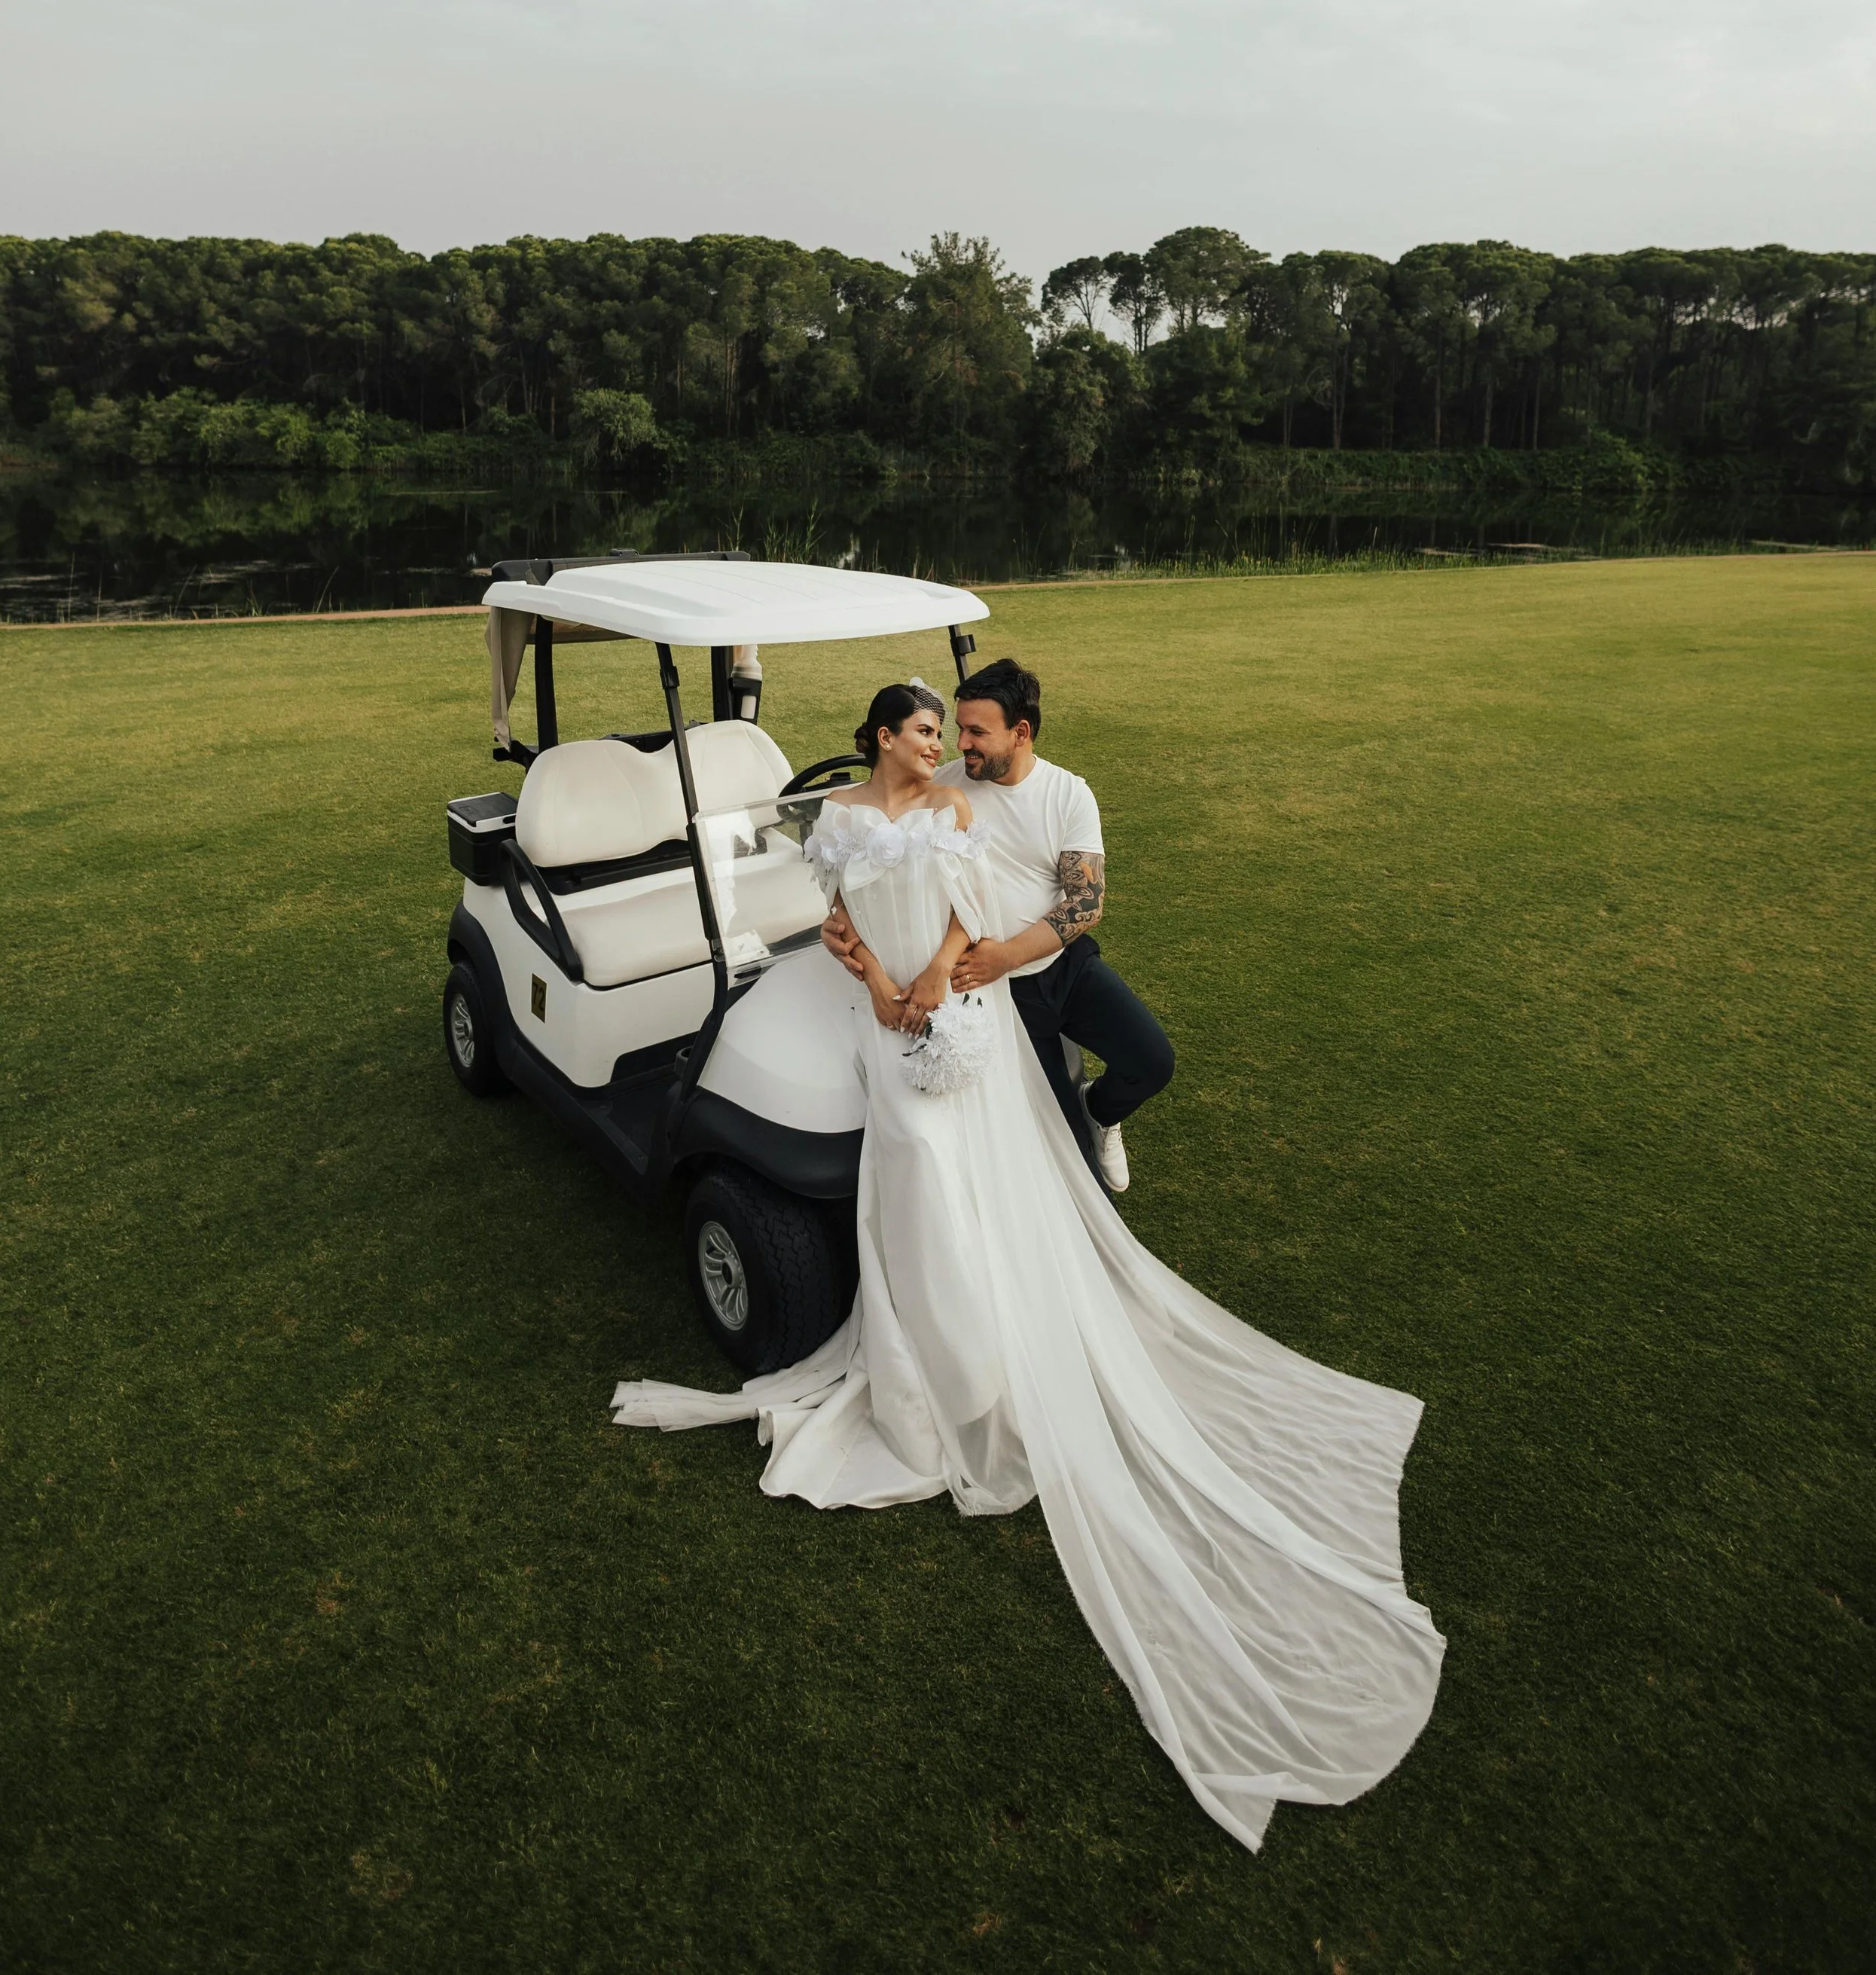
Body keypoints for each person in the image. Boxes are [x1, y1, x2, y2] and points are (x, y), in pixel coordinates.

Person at [613, 679, 1444, 1856]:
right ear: (885, 738)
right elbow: (839, 911)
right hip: (885, 1011)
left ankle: (996, 1348)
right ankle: (920, 1362)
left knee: (980, 1167)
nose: (947, 742)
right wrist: (869, 978)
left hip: (964, 999)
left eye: (962, 729)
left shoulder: (1014, 800)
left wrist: (942, 980)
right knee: (906, 1178)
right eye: (928, 728)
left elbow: (968, 916)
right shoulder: (858, 809)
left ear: (1014, 736)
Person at [823, 655, 1173, 1195]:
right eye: (957, 729)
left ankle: (1101, 1110)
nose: (959, 743)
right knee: (1063, 1157)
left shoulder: (1066, 793)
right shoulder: (940, 785)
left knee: (1152, 1061)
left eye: (976, 732)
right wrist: (840, 928)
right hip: (993, 990)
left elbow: (1086, 901)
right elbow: (872, 845)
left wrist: (1005, 953)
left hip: (1062, 967)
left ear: (1021, 732)